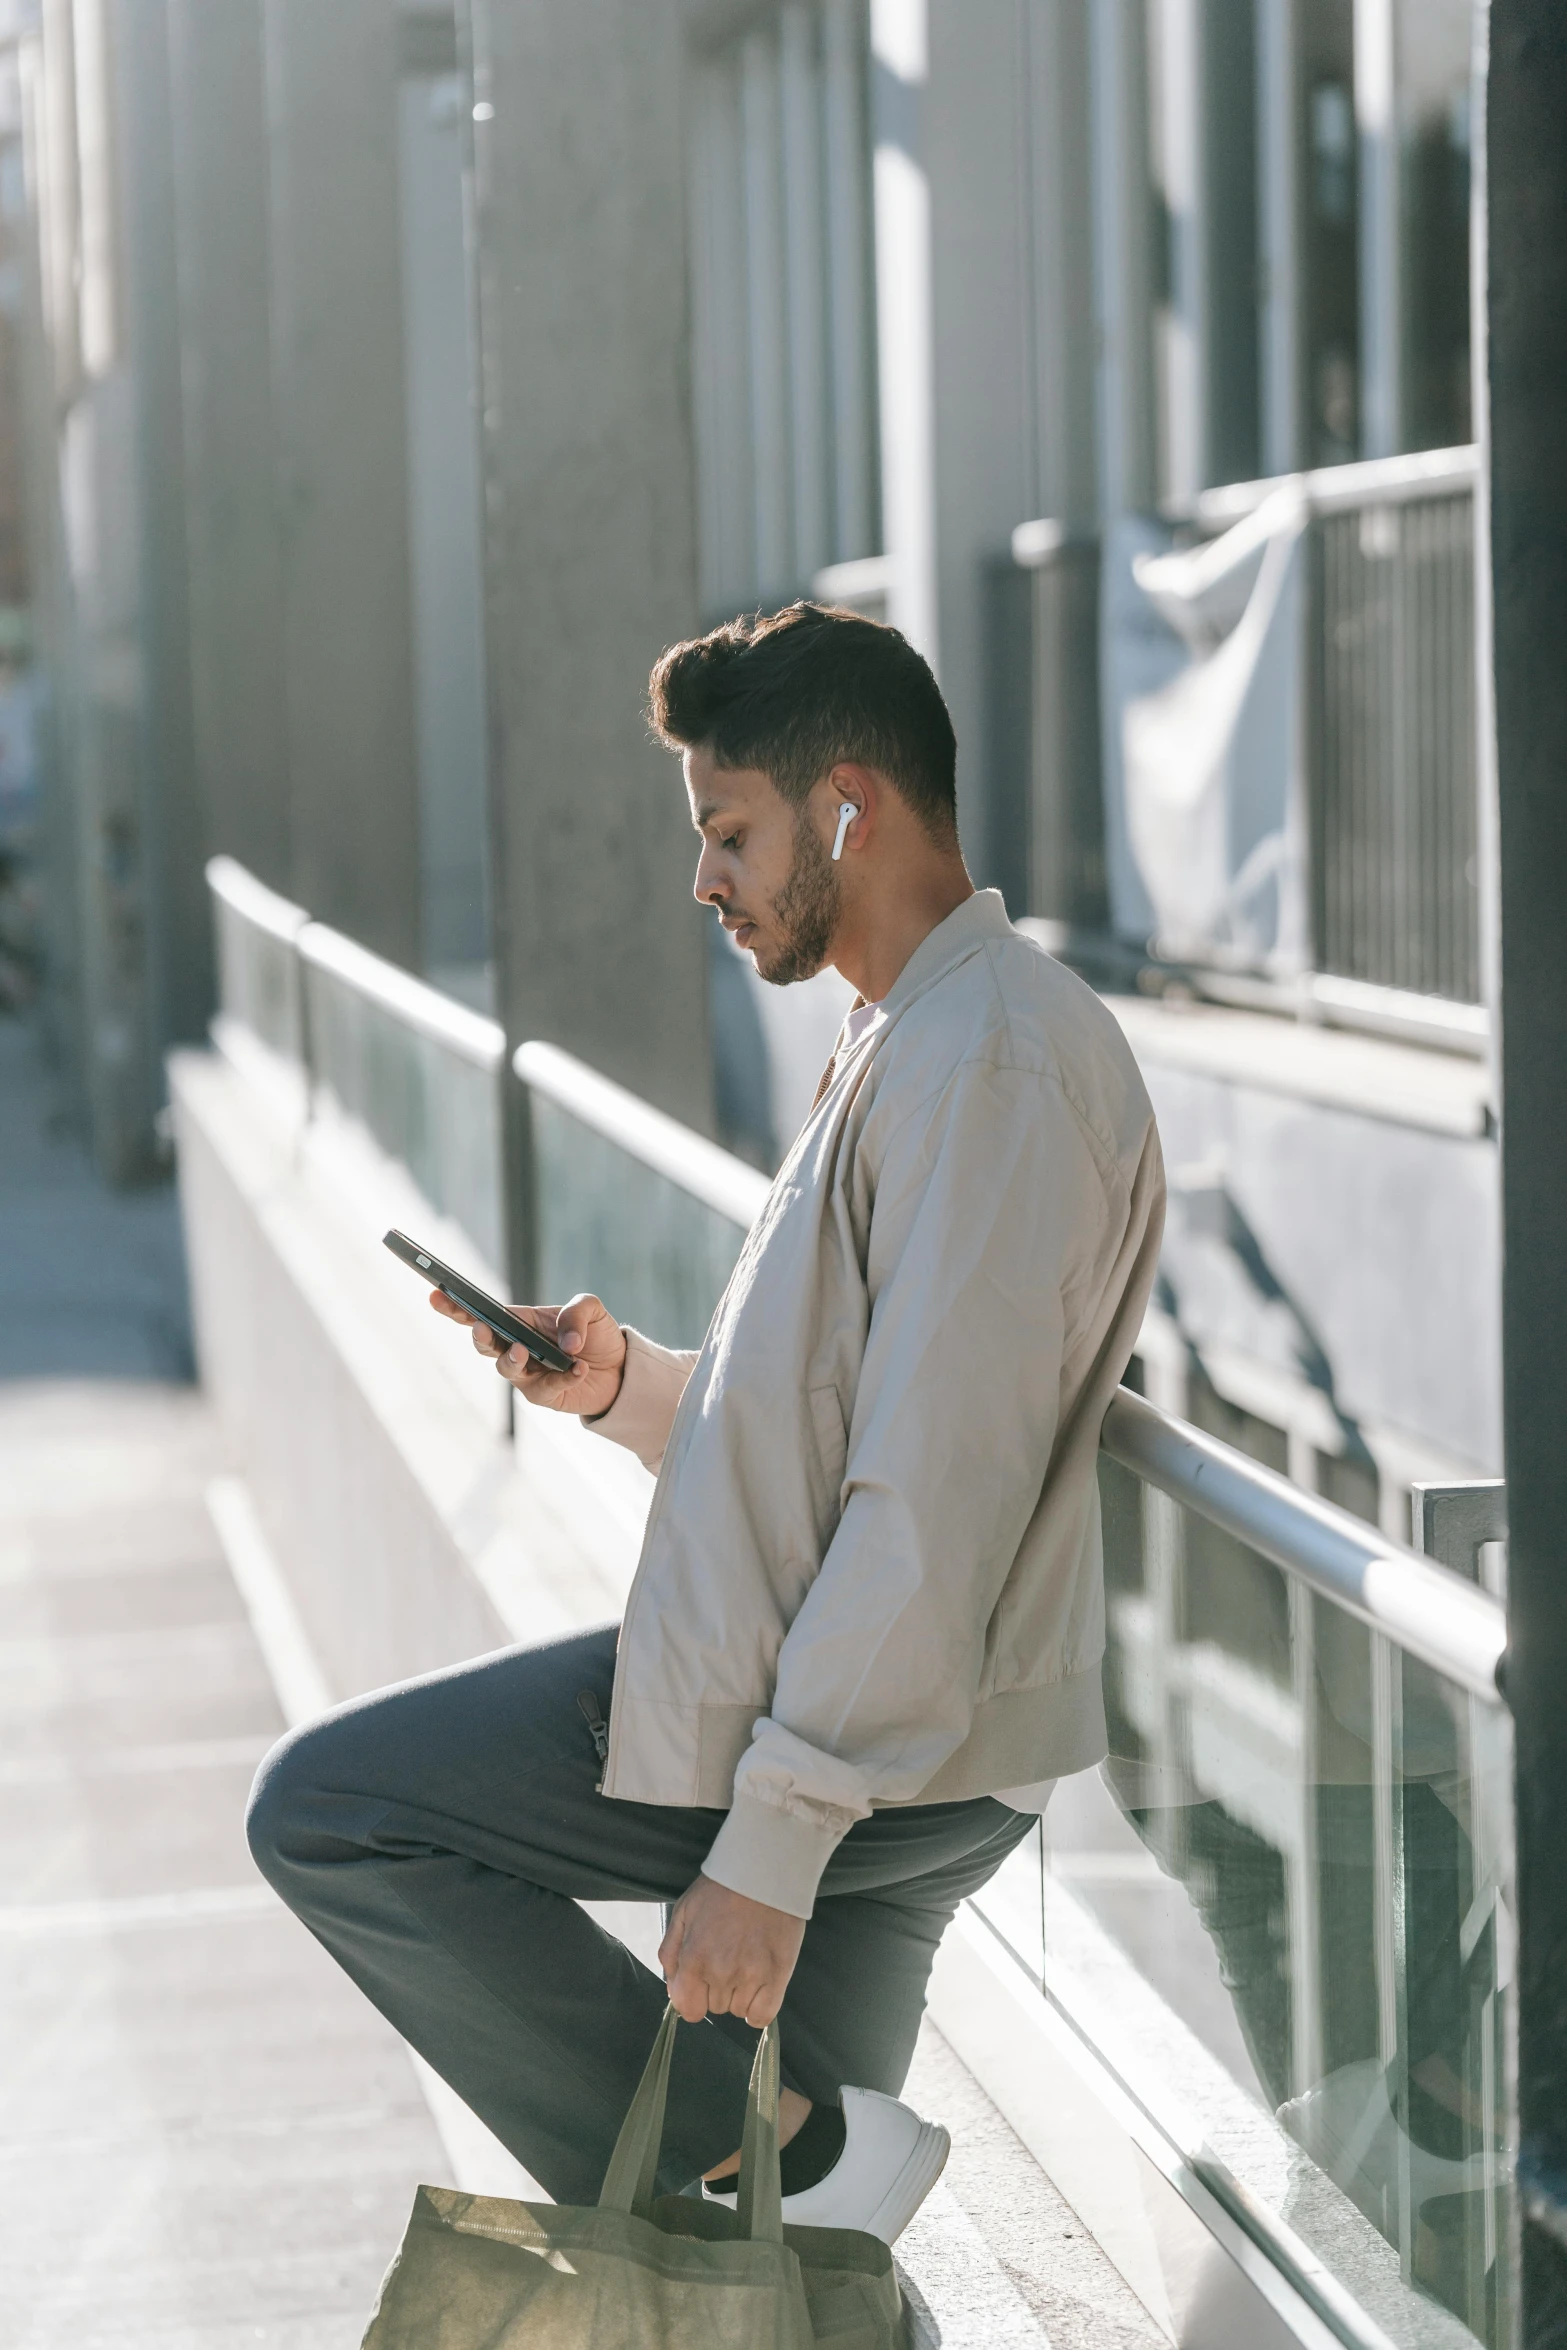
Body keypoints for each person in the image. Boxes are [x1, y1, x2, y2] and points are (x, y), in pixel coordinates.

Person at [247, 603, 1165, 2243]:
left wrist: (772, 1837)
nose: (704, 879)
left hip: (871, 1737)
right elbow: (832, 1431)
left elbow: (928, 1504)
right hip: (870, 1714)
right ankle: (795, 2181)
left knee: (339, 1810)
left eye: (728, 831)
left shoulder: (991, 1065)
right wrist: (625, 1389)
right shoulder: (909, 1035)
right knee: (770, 2286)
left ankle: (800, 2154)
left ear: (848, 806)